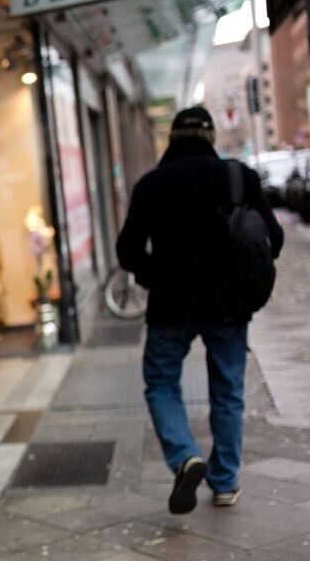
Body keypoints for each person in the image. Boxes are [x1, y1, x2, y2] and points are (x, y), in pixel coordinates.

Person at [116, 107, 283, 514]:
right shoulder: (238, 177)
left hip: (170, 304)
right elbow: (273, 238)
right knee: (227, 390)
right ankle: (224, 482)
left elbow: (127, 251)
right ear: (211, 137)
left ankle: (185, 456)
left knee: (161, 383)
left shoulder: (151, 184)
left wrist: (156, 275)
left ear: (171, 138)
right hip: (229, 304)